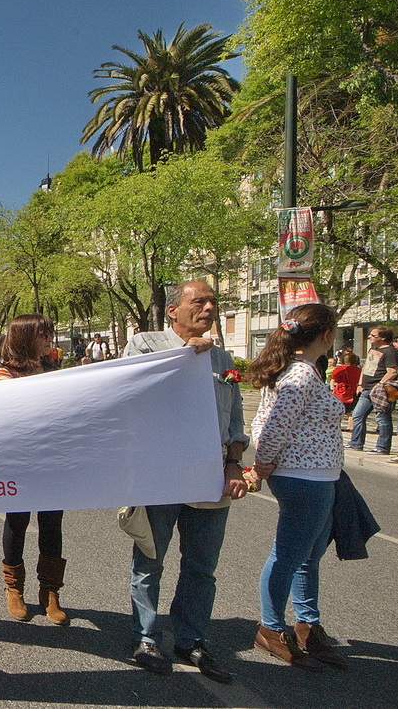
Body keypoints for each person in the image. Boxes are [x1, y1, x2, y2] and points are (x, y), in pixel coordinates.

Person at [123, 281, 248, 684]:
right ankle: (145, 637)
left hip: (209, 478)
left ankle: (191, 640)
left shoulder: (222, 357)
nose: (209, 307)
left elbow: (234, 417)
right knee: (149, 560)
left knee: (201, 567)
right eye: (200, 301)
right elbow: (132, 392)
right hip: (160, 475)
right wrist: (183, 357)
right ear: (173, 310)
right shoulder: (145, 344)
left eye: (213, 302)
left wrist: (234, 464)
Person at [248, 303, 345, 671]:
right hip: (304, 477)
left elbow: (264, 419)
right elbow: (273, 425)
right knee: (289, 556)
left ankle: (307, 625)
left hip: (316, 475)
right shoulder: (301, 374)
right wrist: (263, 464)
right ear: (326, 335)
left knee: (307, 556)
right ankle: (271, 629)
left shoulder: (298, 370)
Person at [0, 314, 69, 626]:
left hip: (52, 460)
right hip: (19, 461)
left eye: (49, 334)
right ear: (25, 337)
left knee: (52, 524)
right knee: (18, 521)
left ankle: (50, 592)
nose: (49, 340)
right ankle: (14, 588)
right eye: (42, 334)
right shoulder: (5, 373)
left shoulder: (54, 370)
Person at [348, 326, 398, 454]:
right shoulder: (372, 350)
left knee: (382, 418)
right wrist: (360, 383)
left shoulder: (391, 352)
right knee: (357, 415)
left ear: (383, 337)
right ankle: (356, 443)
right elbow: (366, 367)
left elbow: (392, 372)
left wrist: (379, 385)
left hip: (381, 390)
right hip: (366, 388)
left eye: (373, 335)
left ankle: (383, 447)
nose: (369, 337)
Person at [328, 352, 360, 430]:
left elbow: (335, 379)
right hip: (353, 392)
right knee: (351, 412)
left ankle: (337, 426)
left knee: (338, 410)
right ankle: (350, 426)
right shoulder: (358, 370)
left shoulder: (338, 369)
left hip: (340, 392)